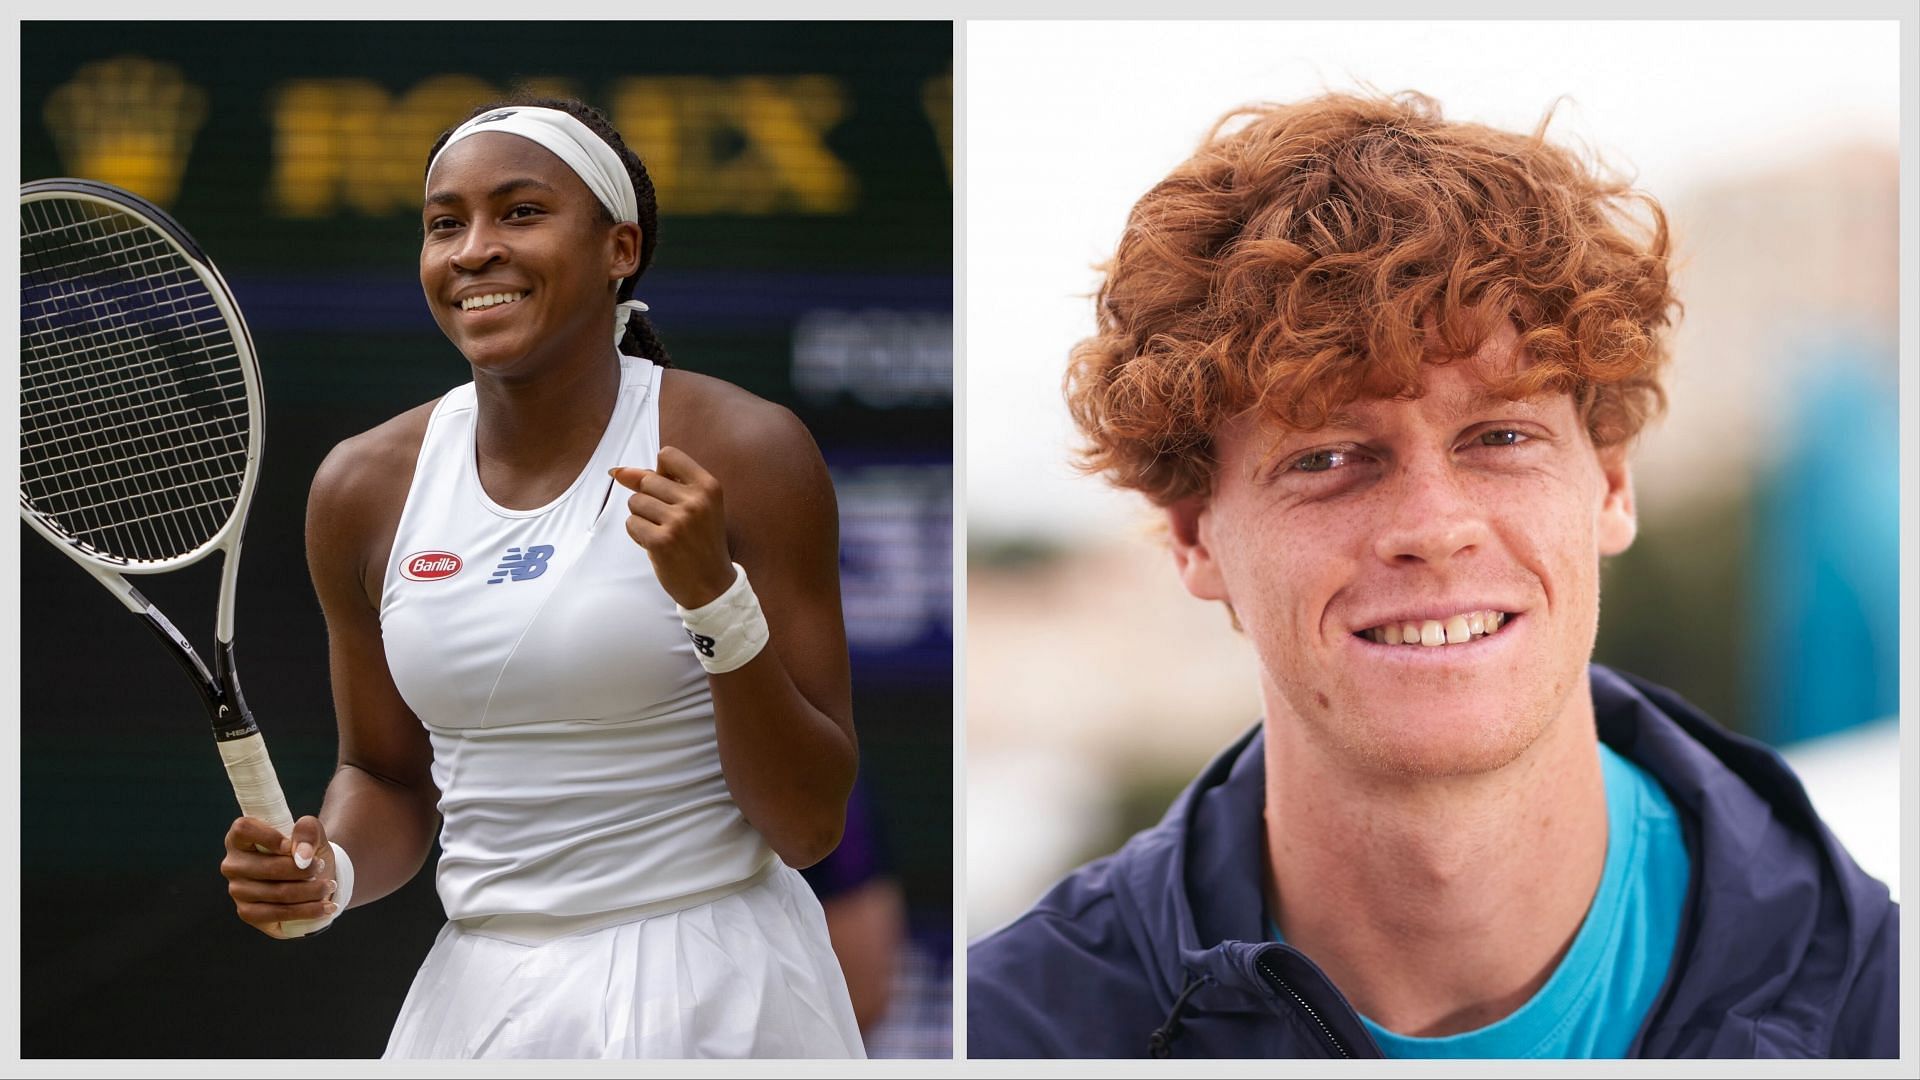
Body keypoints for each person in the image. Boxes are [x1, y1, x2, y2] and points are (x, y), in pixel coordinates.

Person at [967, 91, 1899, 1059]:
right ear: (1195, 534)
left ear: (1612, 483)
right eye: (1327, 457)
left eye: (1500, 436)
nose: (1433, 527)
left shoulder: (1878, 1008)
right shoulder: (1017, 1037)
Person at [217, 96, 865, 1059]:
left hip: (722, 992)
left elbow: (810, 825)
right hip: (480, 998)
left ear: (620, 249)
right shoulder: (362, 487)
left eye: (520, 212)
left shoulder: (749, 450)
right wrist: (333, 868)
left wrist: (713, 601)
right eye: (446, 224)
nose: (474, 250)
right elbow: (388, 775)